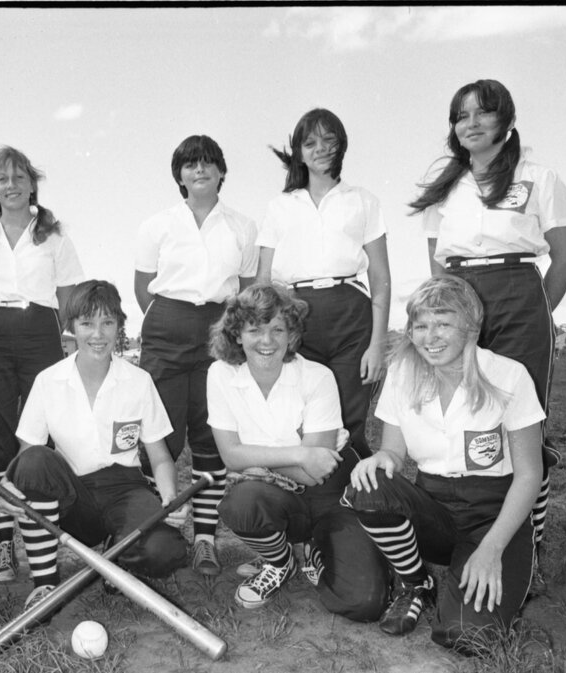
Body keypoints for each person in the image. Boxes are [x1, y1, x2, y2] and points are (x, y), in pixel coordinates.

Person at [410, 79, 566, 567]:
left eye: (483, 113)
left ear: (506, 120)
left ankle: (531, 547)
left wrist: (535, 314)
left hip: (519, 293)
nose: (471, 124)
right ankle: (473, 527)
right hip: (461, 296)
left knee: (522, 426)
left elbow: (565, 258)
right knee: (469, 413)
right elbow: (437, 266)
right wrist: (448, 317)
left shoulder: (540, 178)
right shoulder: (445, 187)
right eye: (461, 116)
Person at [342, 275, 544, 654]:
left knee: (466, 636)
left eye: (442, 323)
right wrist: (382, 458)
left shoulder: (508, 374)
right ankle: (415, 581)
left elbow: (530, 474)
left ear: (471, 325)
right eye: (420, 325)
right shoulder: (403, 372)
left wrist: (492, 548)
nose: (429, 337)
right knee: (368, 486)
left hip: (492, 513)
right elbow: (393, 453)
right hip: (432, 504)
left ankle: (477, 572)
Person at [0, 280, 189, 611]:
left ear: (119, 327)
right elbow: (27, 455)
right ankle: (46, 585)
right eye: (87, 323)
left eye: (107, 322)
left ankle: (117, 558)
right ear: (71, 327)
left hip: (125, 489)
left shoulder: (138, 381)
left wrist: (170, 497)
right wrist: (9, 484)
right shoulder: (47, 381)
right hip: (72, 497)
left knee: (167, 552)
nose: (97, 334)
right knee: (34, 462)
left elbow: (159, 457)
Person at [207, 282, 389, 619]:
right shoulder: (220, 374)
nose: (267, 340)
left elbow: (317, 469)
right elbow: (230, 455)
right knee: (241, 503)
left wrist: (259, 465)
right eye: (255, 329)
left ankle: (319, 548)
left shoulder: (317, 376)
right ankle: (281, 562)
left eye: (278, 329)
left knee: (365, 602)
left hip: (330, 490)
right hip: (275, 493)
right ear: (236, 335)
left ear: (292, 335)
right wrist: (298, 454)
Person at [134, 134, 258, 576]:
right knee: (161, 434)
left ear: (222, 170)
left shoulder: (243, 226)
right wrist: (171, 320)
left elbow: (245, 290)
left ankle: (205, 538)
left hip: (218, 328)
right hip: (166, 324)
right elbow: (142, 285)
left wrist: (223, 329)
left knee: (210, 436)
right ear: (179, 175)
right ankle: (156, 531)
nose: (199, 170)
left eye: (208, 163)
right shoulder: (158, 224)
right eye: (190, 165)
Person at [0, 146, 85, 584]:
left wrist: (35, 322)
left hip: (40, 332)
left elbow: (68, 297)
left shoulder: (54, 236)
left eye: (18, 178)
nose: (10, 186)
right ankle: (5, 544)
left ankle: (41, 538)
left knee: (35, 437)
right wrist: (4, 320)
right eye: (1, 179)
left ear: (32, 183)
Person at [256, 108, 390, 460]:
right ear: (299, 151)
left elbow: (381, 278)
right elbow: (263, 281)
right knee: (301, 411)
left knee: (349, 417)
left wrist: (378, 344)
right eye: (311, 142)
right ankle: (303, 495)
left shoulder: (363, 200)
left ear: (341, 146)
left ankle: (350, 500)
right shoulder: (280, 206)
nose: (321, 148)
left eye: (329, 140)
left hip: (351, 317)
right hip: (296, 316)